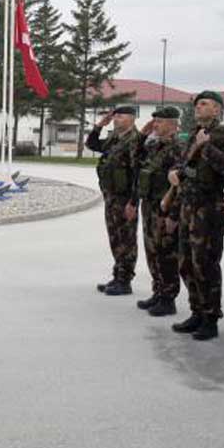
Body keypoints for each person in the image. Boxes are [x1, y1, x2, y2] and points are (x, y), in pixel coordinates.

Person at [169, 91, 224, 340]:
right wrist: (175, 172)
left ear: (217, 109)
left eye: (204, 104)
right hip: (188, 206)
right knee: (186, 262)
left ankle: (210, 317)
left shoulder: (223, 135)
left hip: (208, 209)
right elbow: (183, 162)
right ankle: (196, 310)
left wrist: (204, 146)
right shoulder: (194, 133)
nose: (198, 107)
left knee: (205, 264)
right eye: (197, 104)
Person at [129, 106, 184, 316]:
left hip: (164, 208)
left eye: (159, 121)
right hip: (149, 205)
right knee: (152, 250)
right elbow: (135, 161)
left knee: (166, 253)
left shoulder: (178, 147)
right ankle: (158, 291)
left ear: (172, 124)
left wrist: (173, 214)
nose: (155, 125)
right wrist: (142, 135)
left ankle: (168, 298)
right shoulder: (154, 146)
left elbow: (179, 184)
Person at [87, 106, 142, 296]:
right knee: (115, 238)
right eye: (115, 116)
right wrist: (99, 125)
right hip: (111, 196)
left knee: (126, 239)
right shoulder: (114, 139)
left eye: (121, 116)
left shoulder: (134, 140)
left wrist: (133, 202)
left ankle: (125, 280)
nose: (116, 119)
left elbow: (137, 174)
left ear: (132, 119)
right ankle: (118, 275)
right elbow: (92, 145)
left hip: (125, 198)